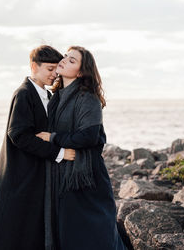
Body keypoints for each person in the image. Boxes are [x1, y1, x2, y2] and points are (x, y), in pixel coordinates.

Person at [0, 45, 76, 250]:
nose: (54, 74)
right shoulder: (24, 94)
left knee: (29, 225)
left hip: (37, 172)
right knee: (8, 222)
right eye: (49, 69)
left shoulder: (47, 96)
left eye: (56, 69)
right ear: (34, 66)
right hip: (20, 171)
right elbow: (18, 135)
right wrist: (59, 153)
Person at [36, 46, 126, 250]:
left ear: (81, 71)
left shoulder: (87, 97)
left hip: (86, 175)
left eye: (72, 60)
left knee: (94, 230)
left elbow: (89, 136)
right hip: (63, 170)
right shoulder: (56, 97)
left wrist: (53, 137)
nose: (64, 60)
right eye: (66, 56)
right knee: (68, 230)